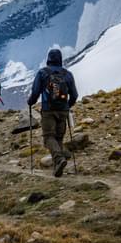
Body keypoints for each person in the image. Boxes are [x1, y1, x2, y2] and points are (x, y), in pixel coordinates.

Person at [27, 49, 78, 177]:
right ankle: (57, 169)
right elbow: (75, 95)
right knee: (59, 138)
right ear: (60, 59)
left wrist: (30, 102)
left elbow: (35, 92)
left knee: (48, 137)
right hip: (63, 110)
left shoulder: (43, 73)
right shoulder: (67, 74)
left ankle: (59, 159)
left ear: (48, 59)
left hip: (48, 110)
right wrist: (67, 105)